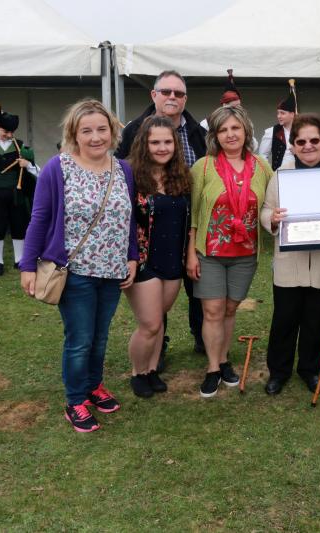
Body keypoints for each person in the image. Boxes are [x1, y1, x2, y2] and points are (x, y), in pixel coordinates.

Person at [20, 99, 138, 433]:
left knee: (100, 339)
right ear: (74, 134)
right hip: (75, 272)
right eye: (86, 130)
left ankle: (93, 386)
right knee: (80, 339)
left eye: (102, 129)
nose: (96, 137)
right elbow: (39, 218)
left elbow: (127, 219)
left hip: (112, 270)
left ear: (113, 131)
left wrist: (132, 257)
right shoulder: (56, 169)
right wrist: (28, 265)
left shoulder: (123, 169)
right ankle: (75, 400)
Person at [260, 113, 320, 395]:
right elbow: (267, 210)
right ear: (293, 145)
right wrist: (274, 219)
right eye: (300, 141)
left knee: (318, 319)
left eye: (314, 140)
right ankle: (278, 371)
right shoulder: (282, 174)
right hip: (289, 263)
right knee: (284, 319)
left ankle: (310, 368)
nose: (307, 146)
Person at [115, 70, 206, 358]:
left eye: (178, 93)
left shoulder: (198, 134)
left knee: (197, 291)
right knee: (152, 308)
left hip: (186, 226)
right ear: (153, 95)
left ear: (185, 99)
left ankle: (202, 338)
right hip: (147, 233)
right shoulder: (133, 131)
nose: (172, 97)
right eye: (166, 91)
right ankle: (156, 349)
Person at [187, 106, 272, 398]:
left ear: (246, 130)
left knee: (230, 309)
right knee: (212, 311)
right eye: (223, 130)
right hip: (209, 253)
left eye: (235, 128)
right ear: (215, 136)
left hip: (245, 253)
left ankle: (223, 360)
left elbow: (272, 204)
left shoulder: (261, 167)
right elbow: (194, 215)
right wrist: (190, 252)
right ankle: (212, 368)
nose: (230, 134)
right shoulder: (204, 167)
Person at [124, 116, 192, 398]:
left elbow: (189, 222)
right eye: (155, 142)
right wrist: (129, 257)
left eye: (167, 142)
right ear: (144, 144)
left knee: (160, 320)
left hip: (172, 260)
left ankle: (152, 370)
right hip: (142, 260)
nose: (162, 148)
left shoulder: (181, 176)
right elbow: (124, 221)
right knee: (150, 324)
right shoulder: (130, 175)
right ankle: (137, 372)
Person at [0, 111, 39, 275]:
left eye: (12, 132)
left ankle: (19, 260)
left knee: (19, 224)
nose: (9, 135)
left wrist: (27, 164)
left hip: (16, 192)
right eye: (5, 132)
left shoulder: (20, 145)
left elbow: (37, 171)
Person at [259, 87, 296, 170]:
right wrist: (270, 173)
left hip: (299, 174)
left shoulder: (301, 131)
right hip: (278, 175)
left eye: (282, 113)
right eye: (278, 113)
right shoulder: (271, 132)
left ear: (292, 114)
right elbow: (262, 156)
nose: (279, 116)